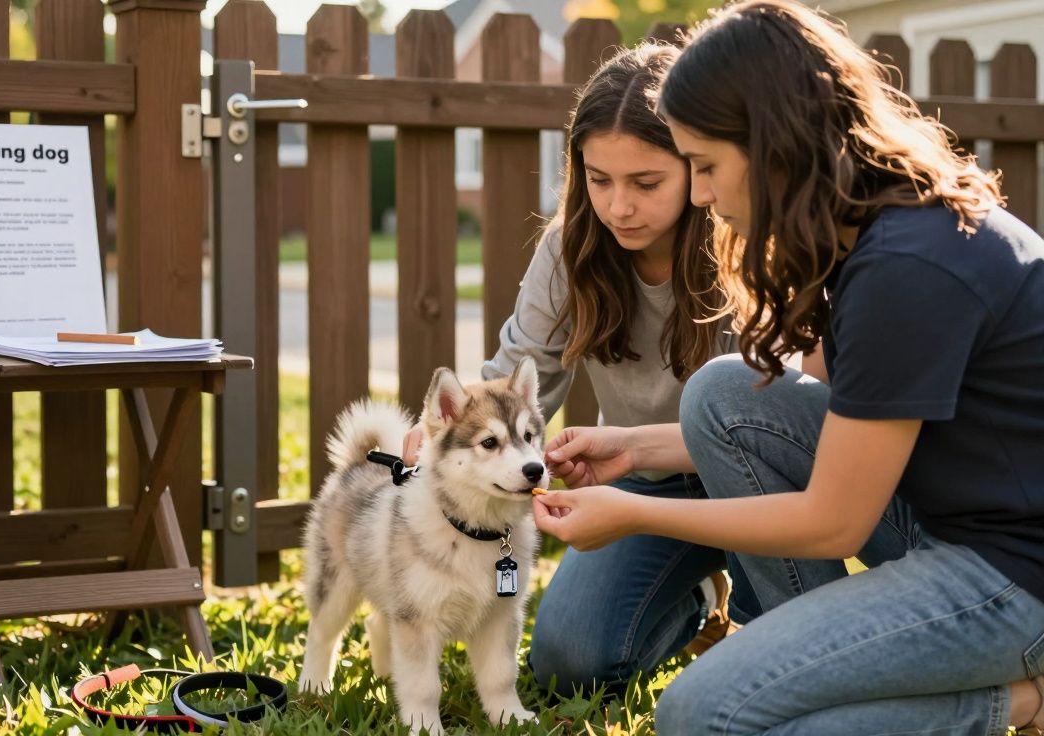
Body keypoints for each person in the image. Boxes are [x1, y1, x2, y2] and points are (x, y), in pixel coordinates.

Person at [532, 2, 1044, 733]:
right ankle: (810, 666)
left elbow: (835, 520)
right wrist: (634, 449)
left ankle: (1018, 700)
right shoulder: (872, 231)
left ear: (773, 144)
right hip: (950, 524)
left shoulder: (910, 263)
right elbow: (836, 425)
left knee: (702, 715)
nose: (701, 195)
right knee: (723, 394)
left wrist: (633, 512)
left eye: (705, 166)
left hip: (1016, 575)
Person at [403, 43, 761, 698]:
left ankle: (750, 607)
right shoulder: (570, 250)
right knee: (569, 665)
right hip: (643, 487)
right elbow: (516, 372)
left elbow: (784, 416)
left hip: (758, 484)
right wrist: (434, 437)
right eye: (599, 180)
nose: (618, 206)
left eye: (645, 183)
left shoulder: (747, 242)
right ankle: (697, 594)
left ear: (696, 164)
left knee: (768, 668)